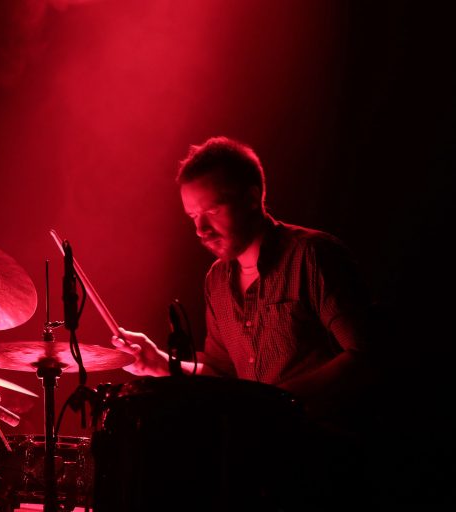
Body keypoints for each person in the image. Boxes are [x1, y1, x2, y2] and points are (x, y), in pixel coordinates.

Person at [107, 136, 378, 508]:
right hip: (257, 461)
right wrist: (161, 365)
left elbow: (368, 355)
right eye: (192, 217)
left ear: (252, 198)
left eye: (213, 210)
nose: (200, 229)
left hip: (326, 457)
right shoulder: (216, 280)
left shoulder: (313, 256)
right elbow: (224, 377)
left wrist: (280, 402)